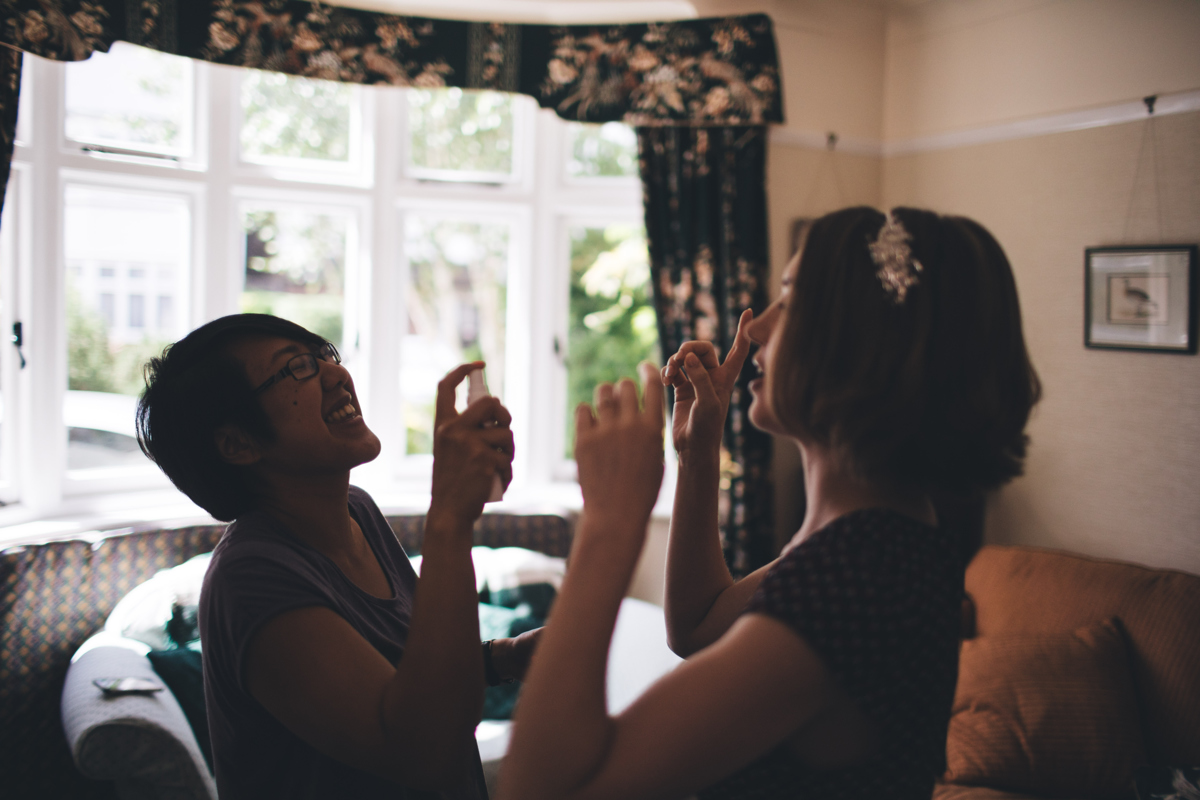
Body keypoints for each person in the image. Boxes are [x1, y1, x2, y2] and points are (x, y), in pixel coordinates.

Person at [497, 206, 1041, 800]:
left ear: (856, 346)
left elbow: (537, 788)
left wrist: (608, 523)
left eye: (791, 300)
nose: (755, 329)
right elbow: (699, 627)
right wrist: (698, 452)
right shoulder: (879, 537)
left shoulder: (856, 578)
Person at [136, 313, 537, 799]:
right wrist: (450, 516)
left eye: (324, 356)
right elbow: (421, 749)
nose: (337, 373)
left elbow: (414, 676)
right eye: (297, 368)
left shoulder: (357, 510)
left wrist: (505, 657)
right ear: (237, 443)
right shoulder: (251, 579)